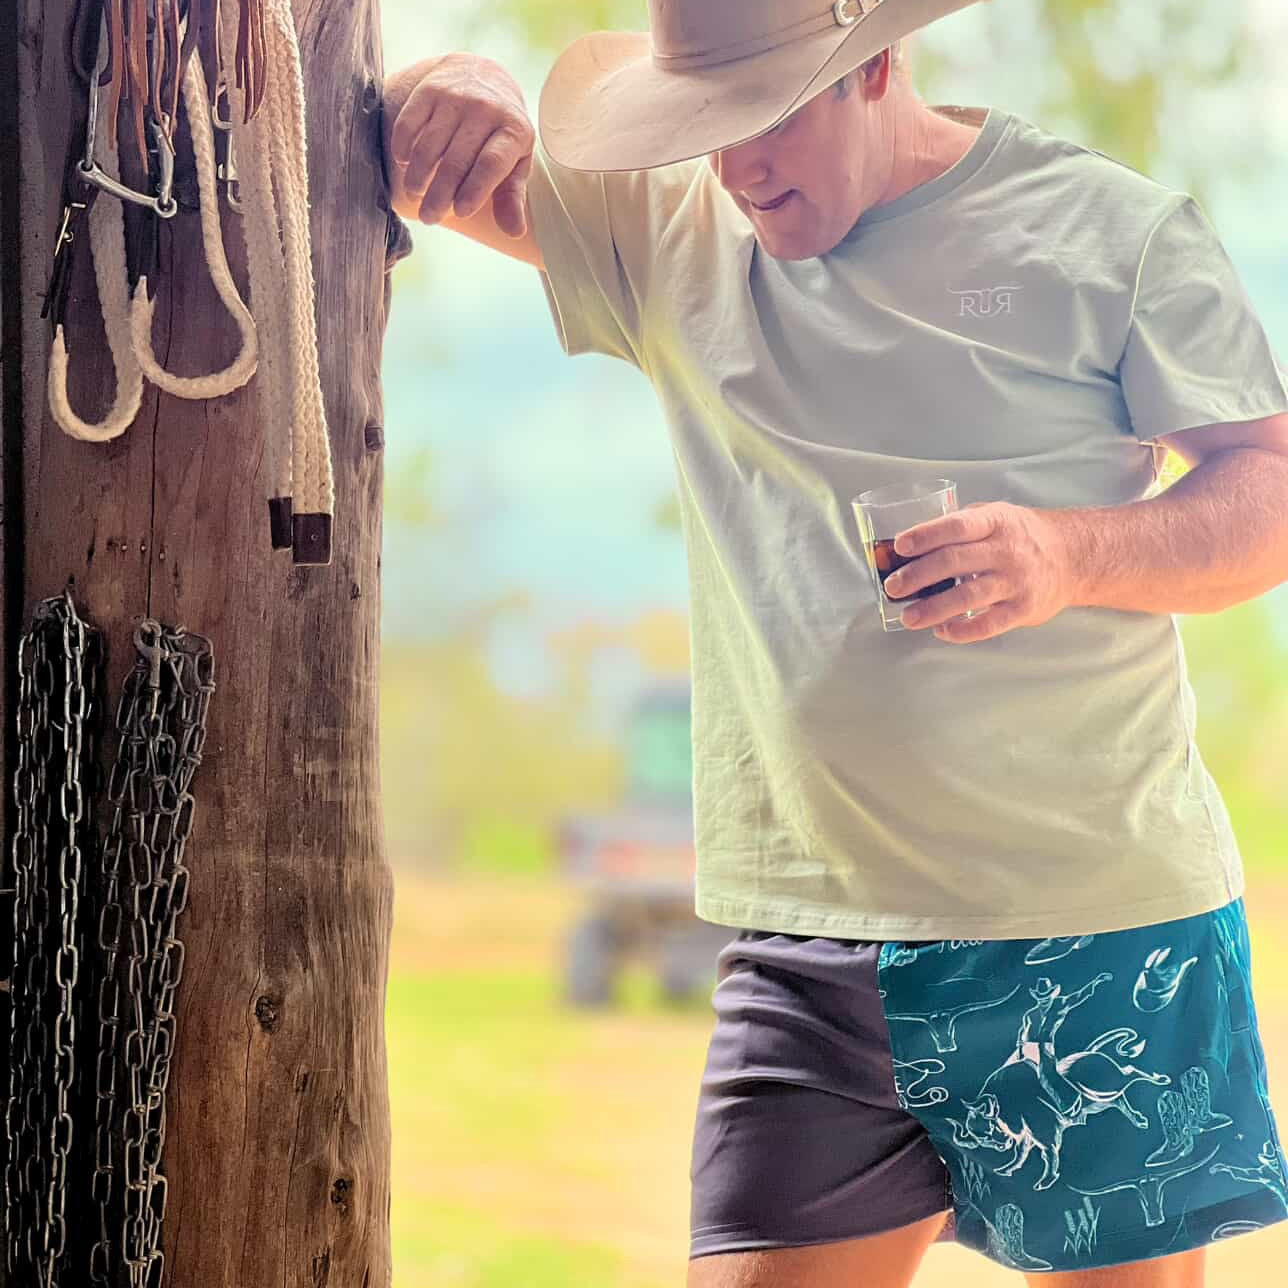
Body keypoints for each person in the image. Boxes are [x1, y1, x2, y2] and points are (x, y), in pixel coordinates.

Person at [382, 0, 1288, 1283]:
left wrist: (1071, 554)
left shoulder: (1113, 235)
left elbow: (1267, 491)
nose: (737, 165)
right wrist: (458, 73)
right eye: (703, 123)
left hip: (1093, 926)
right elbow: (416, 150)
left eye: (763, 114)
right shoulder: (668, 233)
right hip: (808, 941)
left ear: (871, 64)